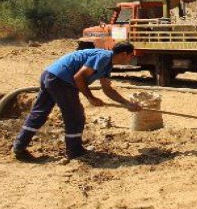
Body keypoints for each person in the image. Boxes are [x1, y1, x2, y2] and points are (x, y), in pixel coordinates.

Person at [12, 42, 141, 161]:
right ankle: (74, 151)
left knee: (39, 113)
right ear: (124, 54)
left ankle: (19, 147)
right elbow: (78, 77)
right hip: (61, 80)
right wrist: (91, 98)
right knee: (75, 116)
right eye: (131, 55)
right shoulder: (103, 58)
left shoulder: (107, 64)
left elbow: (107, 89)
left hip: (50, 74)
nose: (131, 59)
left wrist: (127, 104)